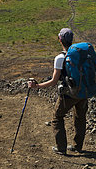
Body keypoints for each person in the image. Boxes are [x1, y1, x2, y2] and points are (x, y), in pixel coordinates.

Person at [28, 27, 88, 155]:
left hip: (69, 93)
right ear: (71, 40)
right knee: (80, 117)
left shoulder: (60, 58)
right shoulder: (79, 54)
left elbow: (54, 81)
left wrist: (37, 86)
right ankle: (77, 146)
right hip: (83, 91)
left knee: (57, 117)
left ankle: (61, 148)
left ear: (60, 40)